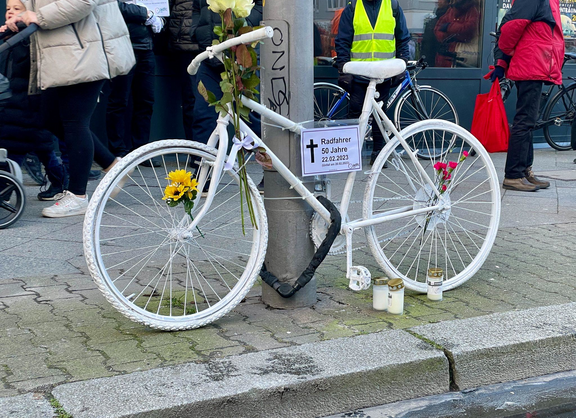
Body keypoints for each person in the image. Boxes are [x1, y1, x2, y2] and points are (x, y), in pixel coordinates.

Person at [5, 0, 136, 217]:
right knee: (50, 118)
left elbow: (84, 2)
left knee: (74, 122)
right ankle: (113, 165)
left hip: (86, 49)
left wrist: (38, 16)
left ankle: (77, 196)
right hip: (58, 52)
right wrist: (21, 16)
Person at [490, 0, 564, 192]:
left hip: (536, 64)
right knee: (525, 120)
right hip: (532, 64)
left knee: (529, 121)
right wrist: (503, 59)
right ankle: (513, 175)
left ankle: (524, 171)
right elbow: (510, 28)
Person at [0, 0, 67, 201]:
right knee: (43, 148)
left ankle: (5, 190)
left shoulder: (32, 36)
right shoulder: (8, 35)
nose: (10, 12)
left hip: (29, 103)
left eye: (17, 9)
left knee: (16, 148)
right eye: (8, 9)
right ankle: (59, 181)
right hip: (13, 103)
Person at [335, 0, 411, 165]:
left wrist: (402, 63)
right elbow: (342, 41)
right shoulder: (353, 8)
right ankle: (349, 155)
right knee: (355, 112)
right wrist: (343, 69)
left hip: (384, 73)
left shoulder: (393, 7)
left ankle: (378, 154)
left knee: (379, 114)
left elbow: (403, 38)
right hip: (358, 73)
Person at [106, 0, 164, 164]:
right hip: (121, 45)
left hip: (146, 47)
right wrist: (145, 13)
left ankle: (140, 151)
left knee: (145, 101)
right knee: (118, 101)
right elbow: (115, 5)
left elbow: (162, 10)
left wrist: (158, 18)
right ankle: (117, 152)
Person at [168, 0, 199, 141]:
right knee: (191, 98)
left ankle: (210, 149)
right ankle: (195, 149)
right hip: (186, 43)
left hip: (213, 40)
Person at [433, 0, 480, 67]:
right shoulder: (451, 10)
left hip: (459, 56)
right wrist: (447, 36)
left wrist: (448, 27)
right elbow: (437, 29)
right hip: (446, 55)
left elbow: (468, 30)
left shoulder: (472, 11)